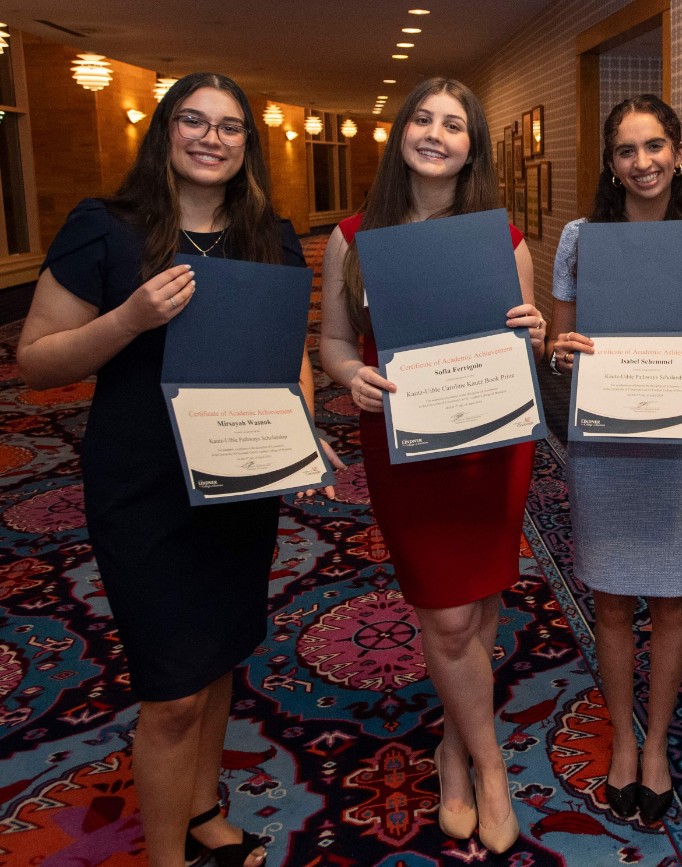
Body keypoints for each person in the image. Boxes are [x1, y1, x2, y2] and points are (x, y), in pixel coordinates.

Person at [16, 73, 313, 867]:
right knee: (173, 687)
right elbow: (36, 361)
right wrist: (131, 317)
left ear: (248, 143)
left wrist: (306, 430)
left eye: (229, 127)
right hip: (143, 482)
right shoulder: (106, 229)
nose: (212, 139)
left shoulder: (268, 235)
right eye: (194, 121)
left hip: (240, 479)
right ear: (164, 131)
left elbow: (293, 358)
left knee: (218, 658)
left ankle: (204, 812)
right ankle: (165, 857)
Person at [318, 76, 544, 856]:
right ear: (401, 133)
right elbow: (335, 344)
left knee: (477, 607)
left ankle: (452, 747)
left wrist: (536, 329)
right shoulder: (351, 236)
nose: (437, 133)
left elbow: (528, 339)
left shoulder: (503, 237)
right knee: (446, 613)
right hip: (405, 442)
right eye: (424, 118)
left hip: (490, 444)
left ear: (472, 147)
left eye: (455, 124)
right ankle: (490, 767)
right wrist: (350, 376)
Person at [546, 95, 682, 823]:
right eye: (626, 150)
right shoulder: (580, 240)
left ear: (679, 152)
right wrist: (561, 351)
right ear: (611, 164)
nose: (643, 162)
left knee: (673, 599)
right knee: (613, 600)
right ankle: (622, 738)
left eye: (655, 146)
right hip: (607, 443)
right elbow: (557, 352)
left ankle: (655, 743)